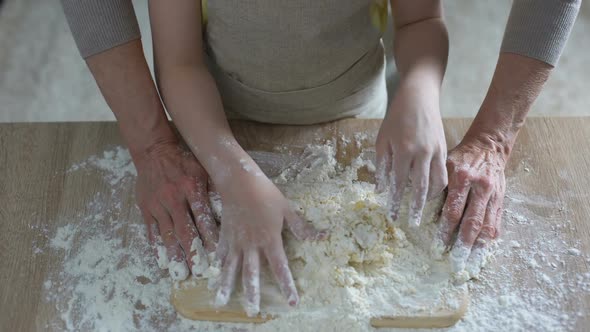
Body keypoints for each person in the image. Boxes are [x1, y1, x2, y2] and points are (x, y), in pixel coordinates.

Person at [61, 0, 580, 315]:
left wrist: (419, 92)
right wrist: (231, 169)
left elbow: (420, 18)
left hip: (358, 112)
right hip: (219, 119)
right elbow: (178, 62)